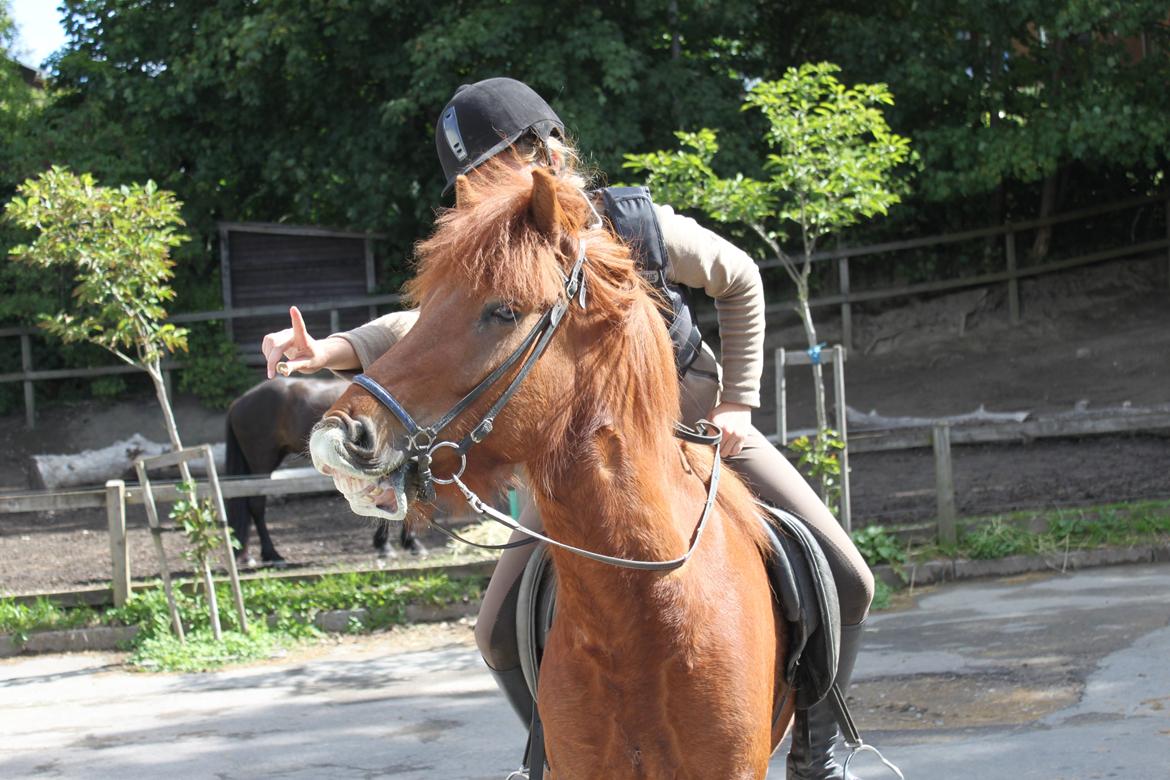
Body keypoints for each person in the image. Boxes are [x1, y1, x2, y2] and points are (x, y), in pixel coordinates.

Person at [261, 77, 874, 780]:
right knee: (495, 634)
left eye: (489, 170)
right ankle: (550, 754)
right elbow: (446, 329)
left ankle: (817, 751)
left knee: (847, 575)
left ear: (545, 149)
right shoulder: (498, 248)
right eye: (465, 183)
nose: (478, 194)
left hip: (693, 421)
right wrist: (332, 352)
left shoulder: (634, 223)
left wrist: (739, 402)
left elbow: (738, 277)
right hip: (575, 457)